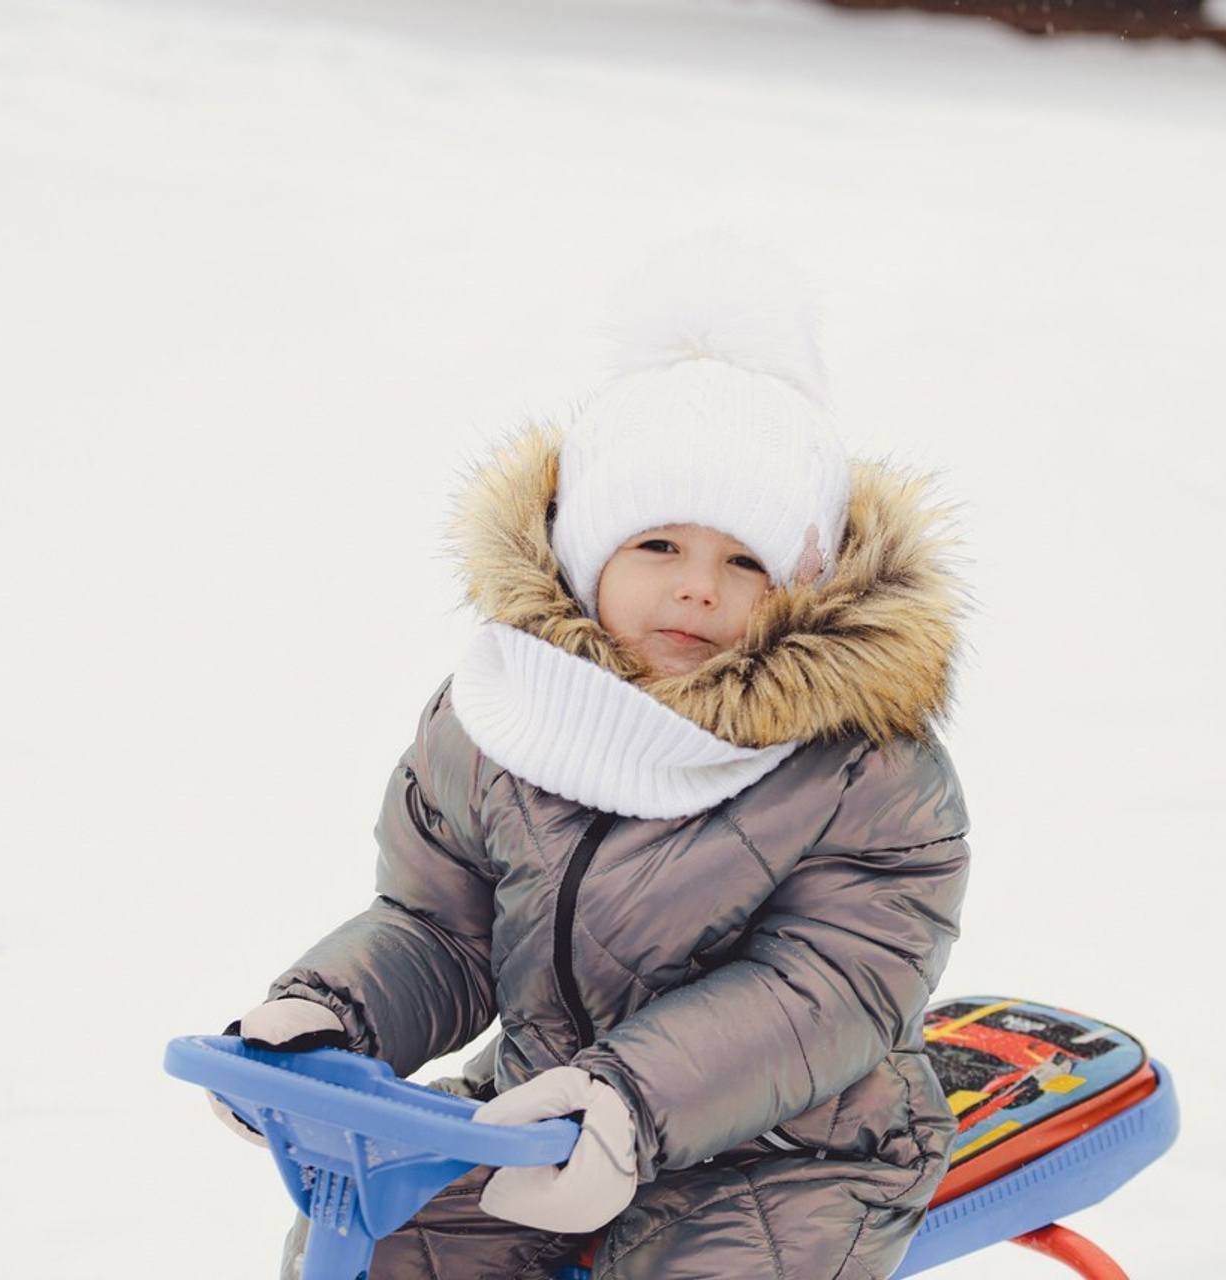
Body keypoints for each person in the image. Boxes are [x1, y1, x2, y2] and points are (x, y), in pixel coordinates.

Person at [219, 235, 970, 1279]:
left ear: (803, 578)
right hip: (534, 1115)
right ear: (583, 552)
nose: (696, 586)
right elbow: (441, 927)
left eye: (742, 557)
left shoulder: (861, 769)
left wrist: (627, 1096)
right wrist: (334, 1012)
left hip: (792, 1154)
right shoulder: (499, 719)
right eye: (656, 544)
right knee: (380, 1246)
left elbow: (826, 985)